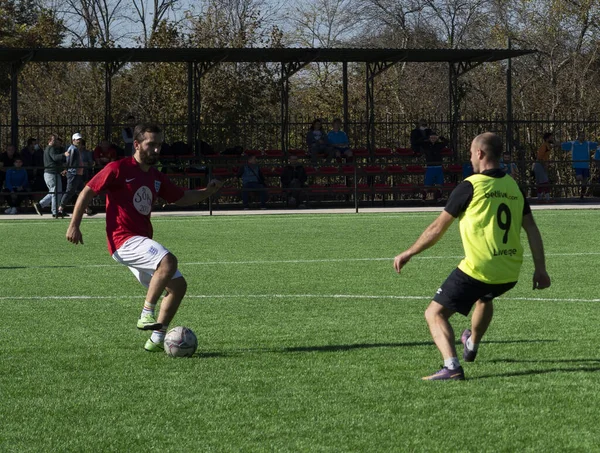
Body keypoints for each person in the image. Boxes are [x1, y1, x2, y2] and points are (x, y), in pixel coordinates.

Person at [393, 132, 551, 381]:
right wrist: (540, 269)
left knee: (434, 314)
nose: (470, 157)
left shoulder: (470, 185)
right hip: (509, 271)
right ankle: (472, 345)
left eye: (470, 153)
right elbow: (532, 229)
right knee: (485, 296)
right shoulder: (514, 186)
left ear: (479, 153)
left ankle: (451, 366)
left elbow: (438, 228)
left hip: (479, 268)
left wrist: (410, 251)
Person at [66, 123, 224, 352]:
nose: (157, 150)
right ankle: (146, 313)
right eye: (151, 144)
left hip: (139, 240)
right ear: (137, 145)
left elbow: (181, 198)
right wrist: (74, 225)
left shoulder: (155, 176)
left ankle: (157, 339)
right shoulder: (118, 168)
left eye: (159, 145)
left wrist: (208, 191)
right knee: (168, 261)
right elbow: (88, 190)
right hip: (123, 239)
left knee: (178, 286)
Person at [34, 135, 65, 218]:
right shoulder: (51, 148)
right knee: (55, 192)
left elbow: (54, 162)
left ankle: (41, 205)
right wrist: (64, 154)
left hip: (51, 173)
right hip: (52, 173)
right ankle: (55, 211)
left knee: (54, 192)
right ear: (49, 141)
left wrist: (61, 170)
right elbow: (55, 158)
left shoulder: (49, 149)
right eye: (54, 140)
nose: (55, 142)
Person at [561, 132, 597, 199]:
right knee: (579, 178)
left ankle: (582, 193)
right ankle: (581, 190)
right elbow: (562, 145)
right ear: (578, 137)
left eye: (583, 136)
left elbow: (596, 145)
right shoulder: (573, 143)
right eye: (581, 136)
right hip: (577, 165)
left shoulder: (588, 143)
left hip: (586, 165)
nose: (582, 137)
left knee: (585, 181)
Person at [58, 133, 86, 216]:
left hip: (77, 173)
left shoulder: (75, 149)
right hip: (74, 173)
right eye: (77, 139)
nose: (79, 141)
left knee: (82, 191)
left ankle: (87, 209)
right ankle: (60, 209)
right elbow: (69, 161)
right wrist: (67, 169)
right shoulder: (73, 149)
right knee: (70, 191)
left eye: (80, 139)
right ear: (73, 140)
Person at [421, 131, 447, 201]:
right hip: (430, 167)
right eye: (431, 137)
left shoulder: (439, 145)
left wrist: (440, 137)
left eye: (434, 137)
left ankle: (439, 197)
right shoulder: (426, 145)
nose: (433, 139)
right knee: (427, 183)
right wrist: (427, 137)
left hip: (438, 166)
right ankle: (424, 197)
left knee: (439, 183)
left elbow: (446, 142)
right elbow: (419, 142)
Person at [534, 133, 553, 202]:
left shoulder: (548, 146)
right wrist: (544, 165)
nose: (552, 139)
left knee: (542, 182)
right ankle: (546, 198)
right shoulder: (544, 146)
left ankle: (540, 198)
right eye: (551, 137)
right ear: (547, 138)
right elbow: (539, 157)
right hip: (540, 165)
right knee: (544, 182)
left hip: (542, 165)